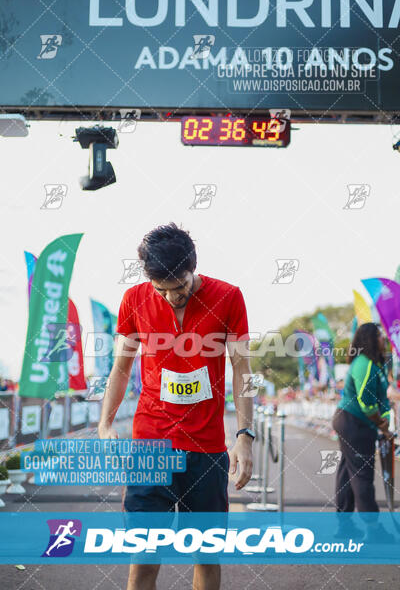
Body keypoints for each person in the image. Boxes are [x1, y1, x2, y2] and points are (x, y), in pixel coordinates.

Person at [98, 223, 254, 590]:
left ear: (193, 268)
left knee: (206, 555)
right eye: (161, 290)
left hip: (207, 447)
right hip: (152, 445)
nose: (171, 297)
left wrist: (245, 435)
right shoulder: (134, 299)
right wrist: (105, 423)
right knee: (145, 559)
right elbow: (120, 368)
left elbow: (241, 367)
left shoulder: (228, 297)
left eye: (180, 287)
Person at [332, 322, 394, 539]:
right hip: (354, 422)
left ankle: (345, 526)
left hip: (355, 422)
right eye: (379, 335)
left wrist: (385, 421)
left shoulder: (376, 365)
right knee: (362, 474)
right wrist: (381, 424)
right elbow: (367, 403)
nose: (383, 339)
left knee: (349, 472)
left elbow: (383, 400)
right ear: (369, 338)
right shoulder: (364, 364)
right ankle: (373, 528)